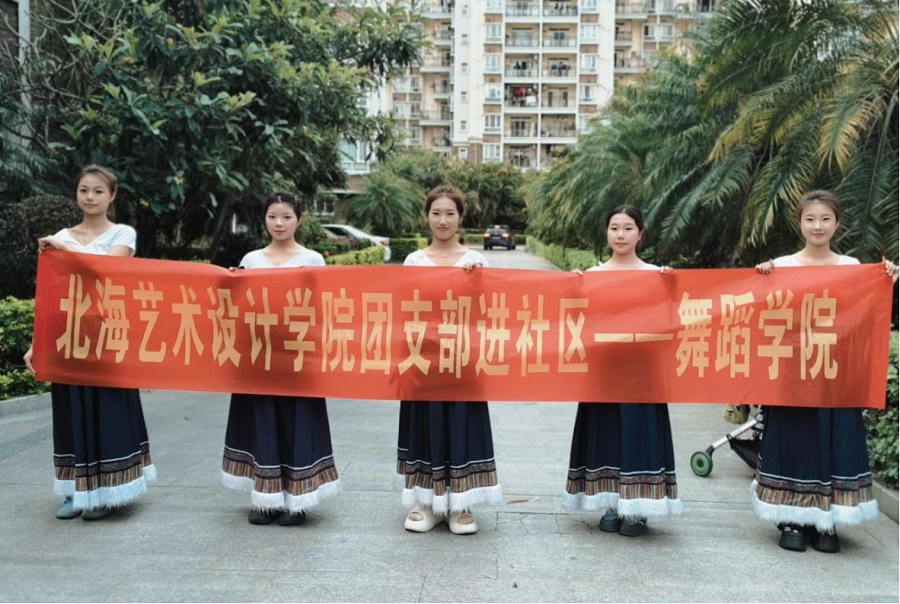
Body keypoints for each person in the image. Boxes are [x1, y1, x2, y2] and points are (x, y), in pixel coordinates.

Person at [753, 189, 898, 552]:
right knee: (794, 440)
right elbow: (762, 315)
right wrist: (762, 277)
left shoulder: (852, 267)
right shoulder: (781, 265)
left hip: (836, 375)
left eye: (825, 219)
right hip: (793, 374)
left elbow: (866, 316)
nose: (817, 226)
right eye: (810, 219)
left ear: (837, 223)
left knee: (834, 441)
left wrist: (887, 280)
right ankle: (792, 519)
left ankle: (826, 521)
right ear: (799, 223)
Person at [24, 164, 156, 520]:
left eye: (98, 191)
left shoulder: (122, 234)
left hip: (108, 335)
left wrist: (63, 248)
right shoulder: (60, 236)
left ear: (112, 196)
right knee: (71, 412)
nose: (90, 197)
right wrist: (38, 342)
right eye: (84, 190)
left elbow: (104, 270)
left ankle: (109, 492)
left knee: (109, 410)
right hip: (68, 337)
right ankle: (75, 492)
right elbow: (50, 294)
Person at [220, 192, 341, 525]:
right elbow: (237, 307)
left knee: (296, 420)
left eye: (286, 217)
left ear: (299, 220)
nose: (279, 223)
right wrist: (231, 282)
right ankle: (265, 498)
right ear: (264, 220)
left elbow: (323, 306)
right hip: (259, 356)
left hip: (298, 355)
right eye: (272, 216)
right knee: (261, 421)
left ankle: (297, 499)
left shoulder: (313, 259)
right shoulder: (251, 259)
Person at [564, 205, 682, 536]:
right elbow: (575, 320)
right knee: (607, 430)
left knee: (639, 431)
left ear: (641, 234)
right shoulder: (592, 275)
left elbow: (675, 318)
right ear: (606, 233)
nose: (620, 234)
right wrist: (570, 287)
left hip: (643, 371)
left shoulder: (657, 275)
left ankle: (638, 506)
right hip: (604, 369)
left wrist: (673, 286)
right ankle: (610, 502)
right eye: (614, 227)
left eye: (628, 228)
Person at [397, 184, 503, 535]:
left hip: (462, 361)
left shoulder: (476, 261)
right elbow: (401, 311)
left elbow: (489, 311)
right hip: (423, 360)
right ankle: (424, 502)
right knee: (424, 426)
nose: (442, 220)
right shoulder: (414, 261)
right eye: (436, 213)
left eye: (449, 213)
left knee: (462, 425)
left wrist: (477, 281)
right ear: (427, 217)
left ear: (460, 217)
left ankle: (461, 504)